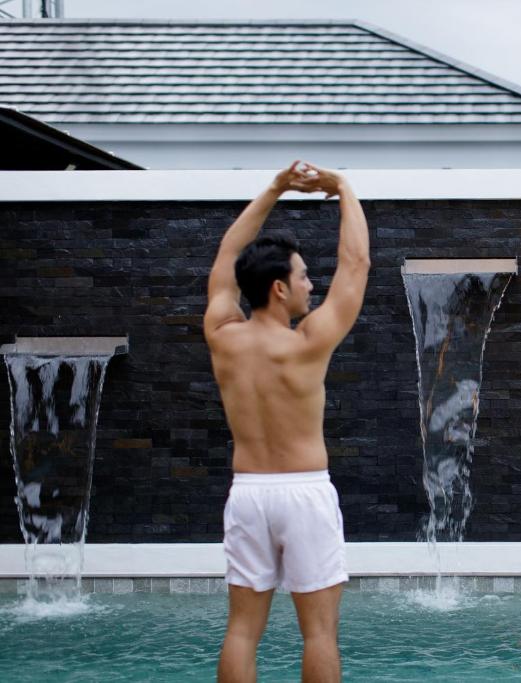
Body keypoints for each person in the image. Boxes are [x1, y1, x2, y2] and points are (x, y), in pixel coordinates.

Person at [203, 160, 370, 682]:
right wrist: (342, 187)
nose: (311, 284)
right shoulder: (307, 343)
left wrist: (276, 187)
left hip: (248, 493)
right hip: (303, 493)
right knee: (318, 633)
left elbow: (228, 254)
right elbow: (357, 264)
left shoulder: (221, 332)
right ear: (279, 288)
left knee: (242, 630)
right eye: (302, 276)